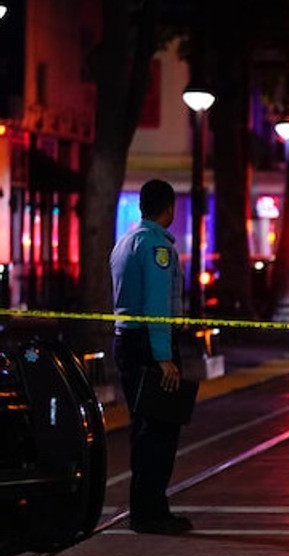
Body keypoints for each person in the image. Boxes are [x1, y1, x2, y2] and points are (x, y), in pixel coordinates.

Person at [110, 179, 192, 535]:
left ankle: (144, 508)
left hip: (126, 341)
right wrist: (164, 356)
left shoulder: (125, 242)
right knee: (160, 430)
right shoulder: (157, 247)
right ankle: (152, 512)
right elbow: (156, 305)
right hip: (149, 345)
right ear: (169, 208)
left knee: (142, 429)